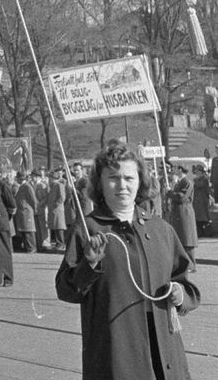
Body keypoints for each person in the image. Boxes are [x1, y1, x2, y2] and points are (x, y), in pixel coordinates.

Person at [55, 142, 199, 380]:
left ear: (140, 181)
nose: (122, 185)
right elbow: (66, 290)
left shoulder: (161, 229)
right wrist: (88, 265)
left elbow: (186, 284)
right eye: (113, 177)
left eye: (129, 178)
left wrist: (180, 293)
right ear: (100, 183)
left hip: (165, 354)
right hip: (115, 355)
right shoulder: (87, 228)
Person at [165, 164, 197, 266]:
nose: (174, 170)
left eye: (175, 168)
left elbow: (181, 197)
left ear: (180, 169)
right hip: (178, 211)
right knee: (181, 237)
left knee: (187, 237)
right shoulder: (180, 181)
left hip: (184, 211)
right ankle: (184, 264)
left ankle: (191, 264)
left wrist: (170, 192)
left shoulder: (187, 182)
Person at [13, 171, 38, 252]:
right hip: (22, 212)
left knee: (29, 231)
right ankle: (27, 247)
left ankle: (32, 248)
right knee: (24, 231)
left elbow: (33, 199)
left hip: (26, 211)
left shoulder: (27, 187)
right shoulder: (22, 186)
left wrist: (34, 210)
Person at [46, 168, 68, 249]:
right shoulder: (52, 186)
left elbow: (62, 197)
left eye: (50, 178)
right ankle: (57, 243)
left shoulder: (59, 185)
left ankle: (61, 243)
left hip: (57, 209)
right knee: (55, 226)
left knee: (59, 227)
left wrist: (56, 204)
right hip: (53, 209)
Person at [190, 164, 210, 237]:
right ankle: (200, 232)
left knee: (203, 217)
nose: (197, 173)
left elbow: (199, 185)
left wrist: (195, 181)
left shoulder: (204, 180)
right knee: (198, 217)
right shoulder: (197, 179)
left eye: (198, 171)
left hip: (202, 201)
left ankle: (206, 232)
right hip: (197, 201)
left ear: (201, 172)